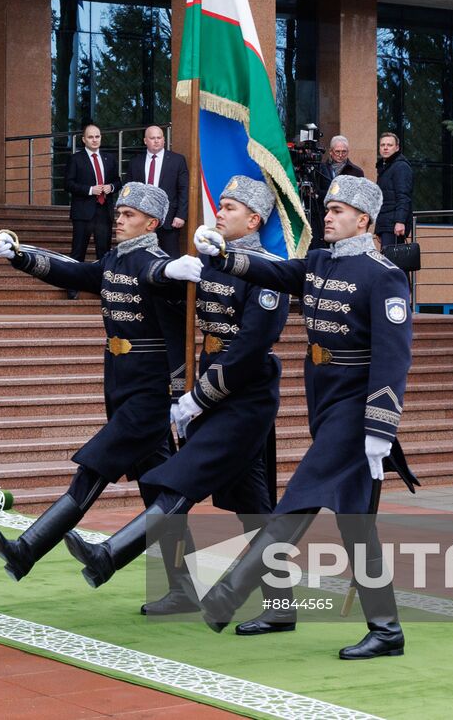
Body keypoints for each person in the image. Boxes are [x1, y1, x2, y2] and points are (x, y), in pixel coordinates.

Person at [193, 174, 415, 659]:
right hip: (328, 402)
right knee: (357, 522)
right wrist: (223, 256)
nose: (328, 217)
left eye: (338, 211)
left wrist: (381, 426)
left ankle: (230, 593)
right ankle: (386, 628)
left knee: (297, 499)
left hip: (357, 410)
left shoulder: (384, 275)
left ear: (364, 220)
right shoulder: (317, 262)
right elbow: (276, 273)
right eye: (327, 209)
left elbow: (393, 358)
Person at [64, 177, 292, 629]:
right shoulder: (208, 262)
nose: (219, 213)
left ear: (254, 220)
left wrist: (196, 399)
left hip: (243, 397)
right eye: (219, 205)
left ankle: (111, 553)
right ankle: (281, 605)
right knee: (253, 506)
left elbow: (247, 350)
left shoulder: (268, 272)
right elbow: (178, 326)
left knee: (178, 482)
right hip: (209, 392)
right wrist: (181, 390)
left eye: (229, 207)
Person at [0, 183, 185, 582]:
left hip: (149, 389)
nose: (119, 221)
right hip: (120, 383)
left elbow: (175, 327)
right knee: (157, 489)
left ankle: (28, 548)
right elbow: (74, 271)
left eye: (129, 216)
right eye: (119, 214)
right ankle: (178, 586)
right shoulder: (115, 260)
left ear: (152, 223)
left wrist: (179, 394)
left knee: (94, 466)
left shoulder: (156, 264)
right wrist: (22, 256)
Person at [64, 124, 119, 299]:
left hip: (104, 212)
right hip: (83, 213)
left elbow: (118, 181)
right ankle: (72, 286)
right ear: (84, 139)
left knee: (104, 252)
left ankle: (104, 287)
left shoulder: (109, 159)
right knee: (78, 251)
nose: (95, 140)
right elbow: (68, 184)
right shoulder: (76, 159)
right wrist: (90, 190)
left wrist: (111, 187)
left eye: (97, 136)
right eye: (91, 137)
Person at [123, 125, 189, 256]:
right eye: (152, 138)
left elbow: (184, 189)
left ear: (164, 140)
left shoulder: (177, 160)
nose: (156, 141)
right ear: (145, 140)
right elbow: (129, 190)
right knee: (140, 256)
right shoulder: (135, 162)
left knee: (170, 258)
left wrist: (181, 215)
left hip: (169, 220)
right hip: (141, 219)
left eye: (159, 137)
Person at [375, 132, 413, 250]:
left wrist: (400, 222)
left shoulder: (400, 167)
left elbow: (403, 196)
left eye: (389, 145)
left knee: (392, 263)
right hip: (386, 225)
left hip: (394, 225)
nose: (385, 148)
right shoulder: (386, 167)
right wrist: (379, 228)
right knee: (389, 262)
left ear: (397, 148)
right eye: (382, 145)